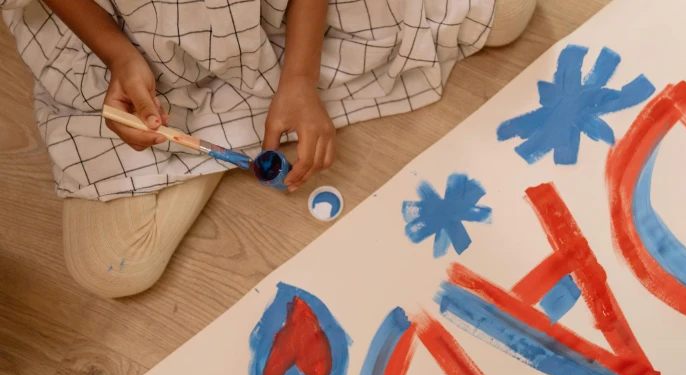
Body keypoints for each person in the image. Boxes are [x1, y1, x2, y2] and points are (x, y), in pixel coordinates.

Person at [1, 0, 536, 298]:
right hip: (128, 33)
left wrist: (300, 76)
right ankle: (226, 140)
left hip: (278, 16)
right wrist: (117, 53)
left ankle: (230, 132)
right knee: (110, 267)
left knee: (509, 11)